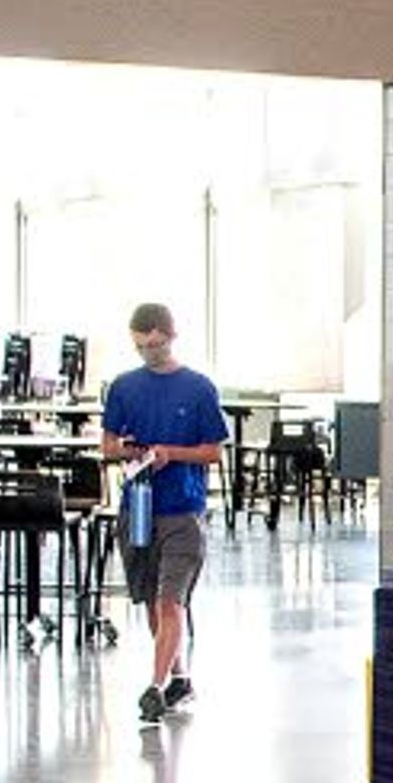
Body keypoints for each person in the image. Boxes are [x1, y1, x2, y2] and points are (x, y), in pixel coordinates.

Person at [98, 301, 230, 725]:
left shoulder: (198, 389)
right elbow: (107, 445)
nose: (149, 354)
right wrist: (130, 450)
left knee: (171, 600)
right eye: (141, 347)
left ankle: (154, 687)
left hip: (182, 511)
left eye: (155, 346)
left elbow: (213, 451)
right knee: (152, 602)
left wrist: (171, 454)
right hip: (138, 506)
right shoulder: (123, 387)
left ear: (171, 337)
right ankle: (178, 678)